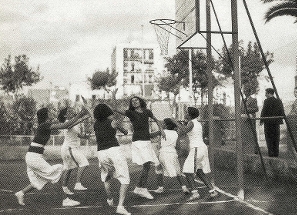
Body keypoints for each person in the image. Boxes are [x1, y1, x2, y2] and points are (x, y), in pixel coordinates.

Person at [15, 107, 88, 207]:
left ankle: (21, 193)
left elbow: (67, 126)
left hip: (31, 156)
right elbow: (65, 125)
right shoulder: (45, 125)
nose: (49, 115)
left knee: (38, 181)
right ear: (46, 115)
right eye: (48, 113)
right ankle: (65, 200)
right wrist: (80, 114)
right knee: (56, 172)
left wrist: (81, 118)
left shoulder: (43, 125)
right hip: (33, 157)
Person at [112, 96, 166, 200]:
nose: (135, 102)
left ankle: (139, 188)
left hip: (146, 141)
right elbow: (115, 109)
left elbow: (156, 120)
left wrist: (161, 130)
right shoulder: (130, 113)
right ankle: (142, 188)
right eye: (132, 101)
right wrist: (114, 96)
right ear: (131, 104)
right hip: (138, 141)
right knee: (147, 164)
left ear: (140, 101)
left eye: (136, 100)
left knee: (147, 165)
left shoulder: (147, 111)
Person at [171, 107, 218, 201]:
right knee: (199, 171)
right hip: (199, 148)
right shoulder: (194, 122)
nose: (185, 114)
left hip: (197, 148)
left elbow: (183, 131)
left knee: (187, 171)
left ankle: (195, 193)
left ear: (189, 114)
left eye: (186, 112)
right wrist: (182, 123)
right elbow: (182, 132)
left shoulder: (192, 122)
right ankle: (212, 191)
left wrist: (175, 122)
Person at [93, 104, 131, 215]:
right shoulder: (113, 122)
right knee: (125, 178)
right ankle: (120, 206)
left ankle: (109, 199)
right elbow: (125, 132)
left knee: (106, 176)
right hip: (114, 151)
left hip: (101, 152)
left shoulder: (96, 124)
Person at [150, 118, 190, 195]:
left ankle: (160, 188)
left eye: (164, 123)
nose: (162, 124)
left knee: (158, 169)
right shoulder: (176, 134)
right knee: (178, 172)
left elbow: (151, 135)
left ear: (167, 125)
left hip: (163, 153)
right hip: (173, 153)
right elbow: (178, 147)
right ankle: (184, 188)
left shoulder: (162, 132)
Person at [58, 107, 90, 196]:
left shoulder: (75, 122)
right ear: (65, 115)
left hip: (70, 148)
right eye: (69, 111)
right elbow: (69, 126)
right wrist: (82, 118)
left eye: (72, 110)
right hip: (69, 148)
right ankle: (78, 184)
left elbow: (78, 134)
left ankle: (64, 187)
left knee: (69, 169)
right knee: (84, 163)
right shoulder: (67, 122)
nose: (72, 111)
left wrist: (85, 136)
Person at [260, 88, 285, 157]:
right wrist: (280, 118)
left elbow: (263, 111)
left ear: (269, 93)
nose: (265, 95)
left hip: (268, 124)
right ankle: (276, 153)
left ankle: (271, 154)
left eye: (266, 93)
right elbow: (282, 112)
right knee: (276, 138)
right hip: (276, 123)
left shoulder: (266, 101)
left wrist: (261, 120)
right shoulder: (278, 101)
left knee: (269, 139)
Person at [240, 87, 259, 154]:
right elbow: (241, 109)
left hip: (250, 119)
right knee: (245, 134)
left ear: (249, 92)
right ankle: (245, 148)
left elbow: (256, 109)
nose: (245, 93)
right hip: (244, 119)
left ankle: (254, 149)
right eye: (244, 92)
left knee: (252, 134)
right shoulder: (243, 100)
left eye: (247, 92)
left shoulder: (253, 100)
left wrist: (248, 109)